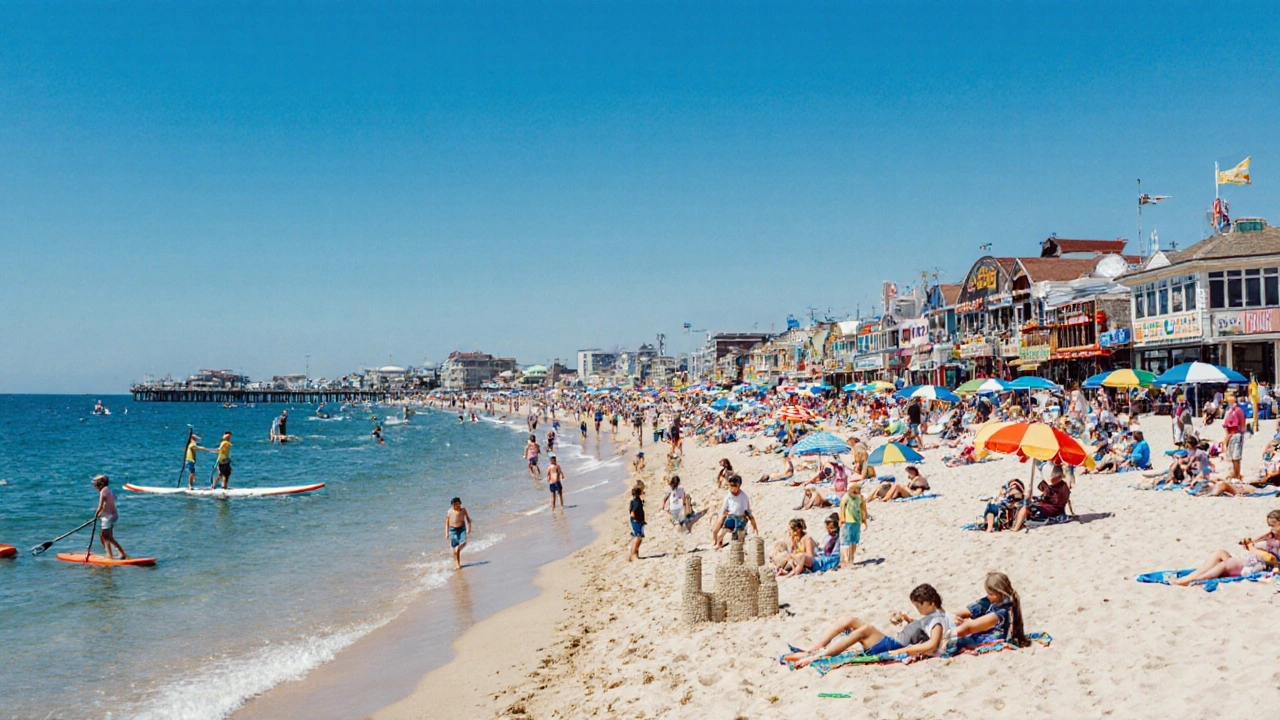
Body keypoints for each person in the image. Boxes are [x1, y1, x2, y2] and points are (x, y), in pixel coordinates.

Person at [783, 584, 957, 668]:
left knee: (865, 631)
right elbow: (924, 630)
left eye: (919, 606)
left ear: (931, 603)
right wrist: (907, 619)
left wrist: (899, 652)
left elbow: (932, 643)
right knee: (848, 619)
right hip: (894, 642)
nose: (918, 610)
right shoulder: (933, 616)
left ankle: (815, 657)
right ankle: (815, 648)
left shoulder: (937, 621)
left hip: (896, 646)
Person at [1172, 510, 1280, 586]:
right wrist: (1248, 543)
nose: (1271, 528)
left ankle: (1194, 580)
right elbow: (1252, 545)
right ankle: (1190, 577)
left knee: (1224, 565)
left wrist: (1258, 552)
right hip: (1249, 560)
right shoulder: (1269, 536)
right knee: (1219, 552)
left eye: (1273, 525)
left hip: (1256, 566)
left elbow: (1273, 562)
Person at [954, 572, 1028, 649]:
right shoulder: (997, 601)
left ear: (994, 595)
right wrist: (953, 618)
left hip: (988, 641)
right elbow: (966, 612)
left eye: (989, 593)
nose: (987, 596)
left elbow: (966, 629)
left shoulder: (1002, 612)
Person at [1009, 464, 1070, 531]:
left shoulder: (1060, 487)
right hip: (1053, 509)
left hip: (1050, 510)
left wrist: (1040, 499)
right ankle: (1019, 523)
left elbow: (1055, 501)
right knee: (1024, 505)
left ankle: (1016, 528)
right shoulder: (1061, 486)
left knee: (1025, 508)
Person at [712, 475, 759, 549]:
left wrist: (754, 524)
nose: (733, 490)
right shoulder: (729, 496)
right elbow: (723, 508)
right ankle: (718, 543)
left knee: (739, 531)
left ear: (739, 486)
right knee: (724, 529)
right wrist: (724, 514)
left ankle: (738, 542)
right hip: (731, 516)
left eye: (735, 488)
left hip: (741, 517)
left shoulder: (743, 496)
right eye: (731, 488)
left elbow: (747, 510)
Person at [92, 475, 127, 559]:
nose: (95, 488)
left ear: (99, 485)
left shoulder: (103, 491)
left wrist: (96, 515)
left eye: (95, 486)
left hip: (108, 517)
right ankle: (116, 552)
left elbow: (100, 506)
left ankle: (110, 555)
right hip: (113, 515)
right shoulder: (108, 490)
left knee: (106, 536)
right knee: (105, 536)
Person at [839, 479, 868, 568]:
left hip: (856, 521)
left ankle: (851, 558)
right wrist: (842, 519)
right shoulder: (846, 497)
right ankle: (845, 559)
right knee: (847, 541)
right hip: (848, 521)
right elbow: (842, 508)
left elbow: (863, 509)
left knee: (854, 541)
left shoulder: (860, 498)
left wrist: (864, 520)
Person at [1221, 394, 1245, 480]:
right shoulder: (1229, 410)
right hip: (1230, 434)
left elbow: (1242, 424)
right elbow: (1225, 424)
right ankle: (1235, 474)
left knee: (1236, 457)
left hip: (1236, 433)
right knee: (1231, 456)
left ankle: (1237, 475)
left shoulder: (1238, 410)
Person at [446, 497, 472, 570]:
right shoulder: (450, 512)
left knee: (462, 543)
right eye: (454, 506)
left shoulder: (463, 510)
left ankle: (456, 557)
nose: (456, 507)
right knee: (455, 547)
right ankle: (457, 563)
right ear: (452, 506)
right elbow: (447, 522)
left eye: (458, 505)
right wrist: (447, 532)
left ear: (460, 504)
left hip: (462, 529)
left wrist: (469, 529)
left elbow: (468, 519)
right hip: (453, 530)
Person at [628, 486, 645, 561]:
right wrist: (639, 520)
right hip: (636, 521)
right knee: (638, 537)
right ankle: (633, 554)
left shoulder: (633, 501)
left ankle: (635, 554)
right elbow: (632, 513)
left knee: (638, 537)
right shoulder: (637, 502)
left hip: (636, 520)